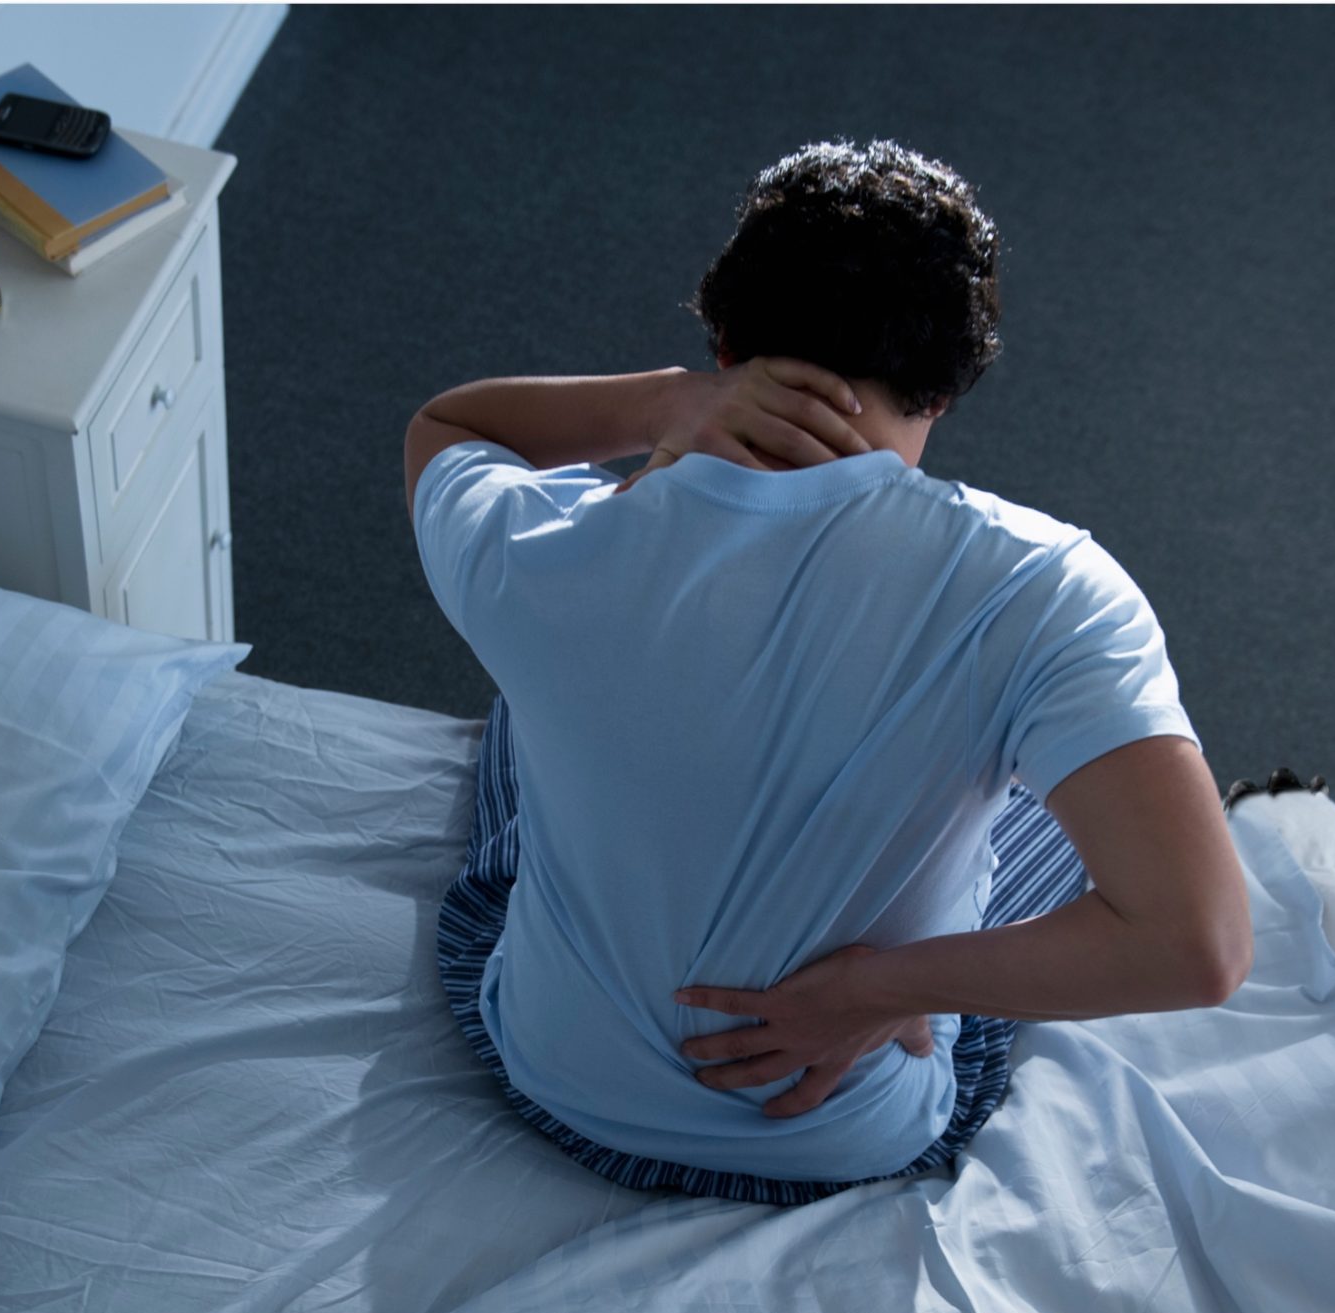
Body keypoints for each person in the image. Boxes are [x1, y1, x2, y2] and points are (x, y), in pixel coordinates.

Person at [403, 138, 1251, 1202]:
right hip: (841, 1134)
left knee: (522, 720)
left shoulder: (544, 552)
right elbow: (1199, 944)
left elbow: (450, 424)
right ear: (949, 382)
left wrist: (664, 406)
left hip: (554, 1077)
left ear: (723, 344)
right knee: (1054, 809)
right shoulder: (1044, 589)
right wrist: (873, 990)